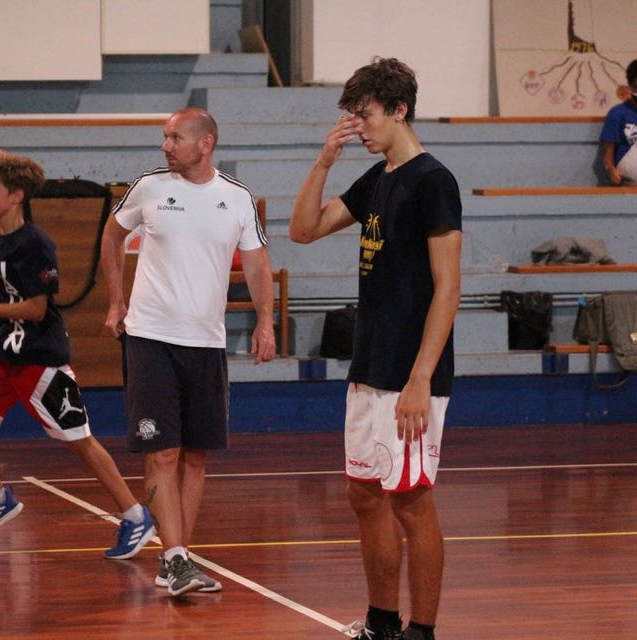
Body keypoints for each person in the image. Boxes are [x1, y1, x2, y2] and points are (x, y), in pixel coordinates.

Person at [289, 58, 462, 640]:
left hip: (411, 372)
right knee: (364, 494)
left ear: (399, 110)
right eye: (352, 116)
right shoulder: (377, 176)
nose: (357, 127)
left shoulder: (433, 180)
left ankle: (422, 631)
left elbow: (448, 287)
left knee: (411, 501)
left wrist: (421, 378)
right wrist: (324, 160)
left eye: (365, 115)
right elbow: (304, 230)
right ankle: (382, 623)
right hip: (370, 365)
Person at [100, 107, 277, 597]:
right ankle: (175, 558)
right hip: (151, 338)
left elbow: (258, 265)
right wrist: (116, 300)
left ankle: (177, 559)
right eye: (165, 137)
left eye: (175, 137)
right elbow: (112, 237)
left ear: (206, 143)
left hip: (206, 343)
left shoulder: (237, 198)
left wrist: (265, 321)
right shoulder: (149, 187)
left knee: (196, 457)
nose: (165, 146)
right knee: (163, 451)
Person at [0, 149, 155, 560]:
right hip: (7, 353)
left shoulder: (37, 245)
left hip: (42, 359)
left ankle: (135, 516)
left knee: (81, 441)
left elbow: (36, 309)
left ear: (16, 196)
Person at [600, 58, 637, 186]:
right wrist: (611, 171)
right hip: (628, 184)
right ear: (630, 87)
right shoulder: (617, 113)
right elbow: (608, 156)